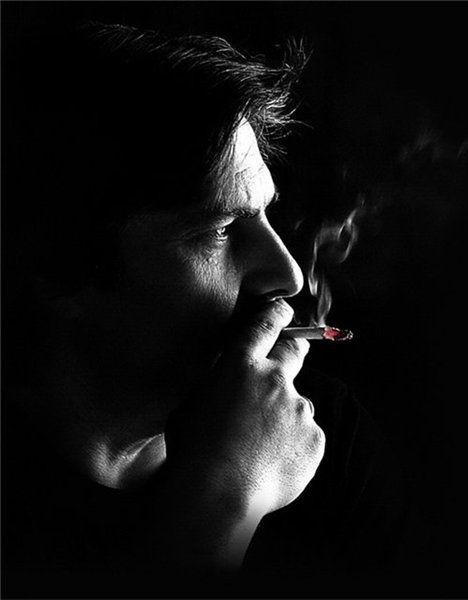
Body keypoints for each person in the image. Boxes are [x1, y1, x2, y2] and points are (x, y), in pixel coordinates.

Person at [2, 23, 418, 599]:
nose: (289, 275)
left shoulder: (319, 431)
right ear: (60, 263)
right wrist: (226, 500)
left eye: (265, 214)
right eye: (220, 229)